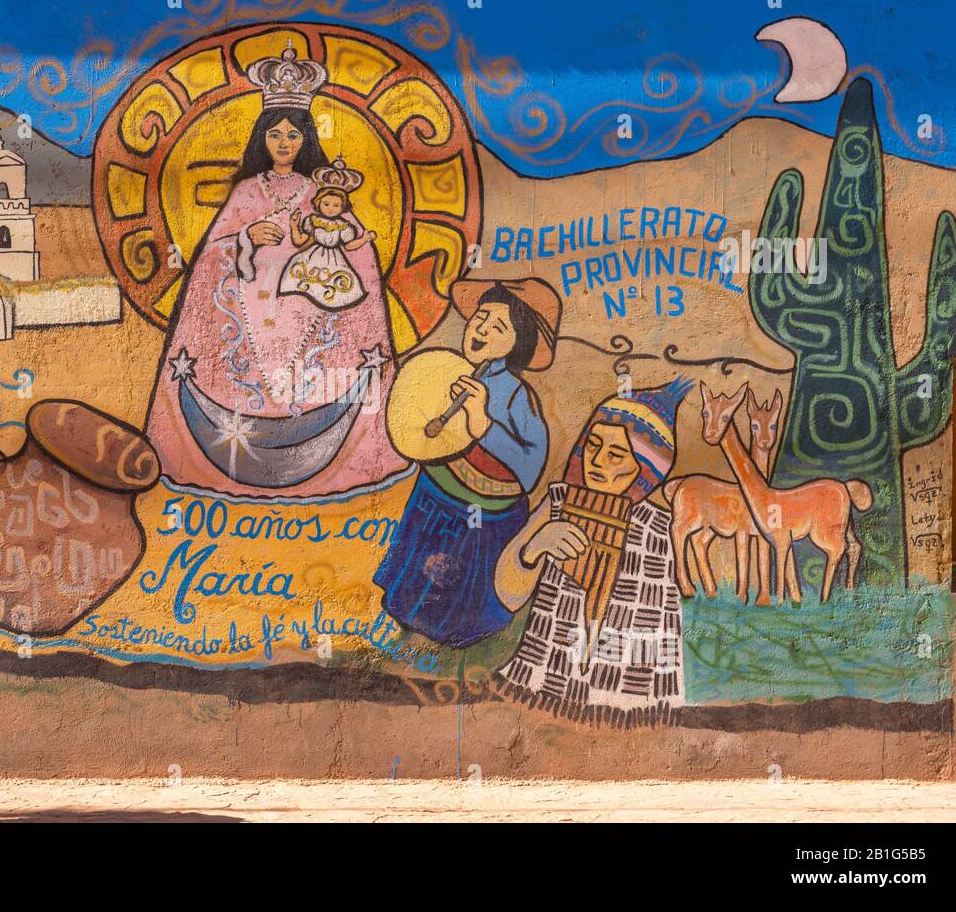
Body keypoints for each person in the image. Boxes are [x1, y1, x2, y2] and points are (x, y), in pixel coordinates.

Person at [146, 45, 405, 496]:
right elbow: (210, 256)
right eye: (275, 135)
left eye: (293, 135)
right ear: (260, 139)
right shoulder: (247, 190)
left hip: (308, 310)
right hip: (247, 311)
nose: (284, 143)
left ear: (306, 139)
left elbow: (356, 246)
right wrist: (247, 239)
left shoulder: (320, 190)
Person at [493, 379, 692, 727]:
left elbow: (663, 635)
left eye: (616, 454)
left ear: (645, 468)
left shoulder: (662, 529)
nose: (596, 461)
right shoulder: (559, 503)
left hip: (629, 706)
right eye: (593, 446)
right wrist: (534, 547)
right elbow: (508, 594)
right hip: (542, 689)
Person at [374, 278, 559, 648]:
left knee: (458, 588)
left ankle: (451, 642)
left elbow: (530, 466)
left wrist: (483, 425)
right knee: (417, 572)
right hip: (435, 495)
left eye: (498, 327)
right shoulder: (448, 370)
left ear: (516, 345)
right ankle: (407, 629)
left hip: (482, 515)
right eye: (480, 317)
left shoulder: (516, 395)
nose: (482, 329)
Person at [280, 157, 377, 311]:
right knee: (302, 293)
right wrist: (293, 225)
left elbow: (349, 246)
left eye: (336, 205)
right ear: (318, 203)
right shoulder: (312, 221)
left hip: (335, 262)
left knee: (335, 294)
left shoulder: (343, 226)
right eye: (326, 204)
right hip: (309, 259)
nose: (331, 208)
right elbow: (299, 241)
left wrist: (364, 239)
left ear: (342, 207)